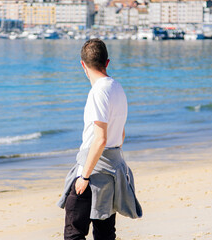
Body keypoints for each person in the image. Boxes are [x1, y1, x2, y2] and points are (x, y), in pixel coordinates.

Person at [57, 38, 142, 240]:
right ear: (107, 62)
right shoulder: (117, 88)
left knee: (74, 232)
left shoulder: (98, 92)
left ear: (82, 65)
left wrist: (84, 176)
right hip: (112, 170)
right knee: (104, 233)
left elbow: (100, 139)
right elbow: (120, 134)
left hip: (93, 170)